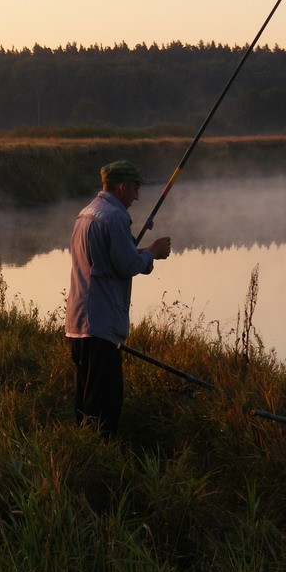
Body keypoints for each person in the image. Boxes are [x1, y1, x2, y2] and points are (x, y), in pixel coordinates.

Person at [65, 160, 172, 438]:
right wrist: (152, 252)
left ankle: (83, 450)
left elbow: (107, 260)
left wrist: (136, 248)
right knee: (105, 402)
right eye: (135, 188)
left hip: (77, 323)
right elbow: (126, 264)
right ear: (121, 186)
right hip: (100, 324)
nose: (137, 195)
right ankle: (101, 458)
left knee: (85, 396)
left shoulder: (86, 213)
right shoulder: (113, 217)